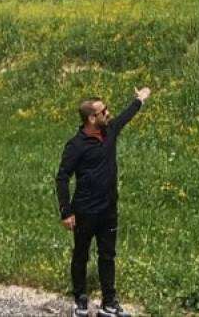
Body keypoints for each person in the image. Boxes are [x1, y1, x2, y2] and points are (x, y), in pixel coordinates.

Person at [56, 87, 152, 317]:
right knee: (81, 254)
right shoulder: (76, 145)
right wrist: (66, 212)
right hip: (85, 211)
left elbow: (125, 117)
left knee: (107, 255)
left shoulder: (109, 132)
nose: (108, 114)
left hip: (109, 209)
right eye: (103, 111)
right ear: (91, 118)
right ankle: (80, 300)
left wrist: (139, 100)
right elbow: (62, 177)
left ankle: (109, 303)